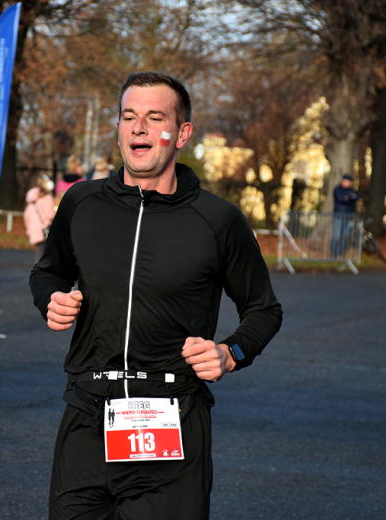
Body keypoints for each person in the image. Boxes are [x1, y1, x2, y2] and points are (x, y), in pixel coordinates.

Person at [30, 71, 283, 519]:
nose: (139, 128)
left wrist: (231, 352)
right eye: (129, 117)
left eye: (153, 117)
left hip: (171, 423)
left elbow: (264, 309)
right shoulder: (82, 203)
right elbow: (46, 274)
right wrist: (51, 298)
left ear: (181, 132)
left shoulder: (218, 220)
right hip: (86, 418)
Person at [24, 174, 56, 263]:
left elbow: (27, 214)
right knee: (43, 254)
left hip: (35, 228)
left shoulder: (33, 199)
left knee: (40, 251)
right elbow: (50, 215)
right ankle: (40, 273)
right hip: (44, 229)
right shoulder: (47, 198)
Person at [332, 173, 359, 258]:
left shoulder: (351, 190)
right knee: (336, 236)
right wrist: (349, 198)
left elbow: (355, 198)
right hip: (338, 216)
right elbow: (340, 199)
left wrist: (347, 198)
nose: (348, 184)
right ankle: (333, 255)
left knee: (345, 237)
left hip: (348, 217)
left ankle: (341, 254)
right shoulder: (337, 189)